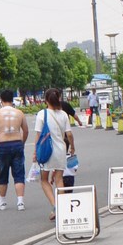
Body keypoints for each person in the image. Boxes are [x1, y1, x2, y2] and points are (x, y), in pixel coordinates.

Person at [34, 88, 75, 220]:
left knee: (44, 180)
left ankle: (55, 206)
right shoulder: (63, 114)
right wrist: (72, 147)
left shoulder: (42, 114)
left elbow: (38, 135)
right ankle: (62, 207)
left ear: (45, 100)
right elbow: (69, 134)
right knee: (59, 179)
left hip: (47, 150)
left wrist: (35, 152)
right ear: (58, 99)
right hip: (61, 150)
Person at [0, 90, 29, 211]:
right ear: (12, 99)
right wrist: (22, 142)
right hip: (17, 143)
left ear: (1, 99)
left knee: (2, 174)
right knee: (19, 173)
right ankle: (20, 202)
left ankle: (2, 201)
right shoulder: (19, 113)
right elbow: (26, 131)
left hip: (3, 145)